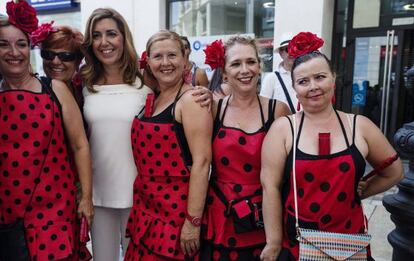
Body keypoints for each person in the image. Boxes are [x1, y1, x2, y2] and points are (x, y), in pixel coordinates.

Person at [260, 32, 404, 261]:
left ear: (333, 78)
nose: (313, 86)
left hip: (350, 242)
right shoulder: (283, 129)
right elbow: (270, 188)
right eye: (303, 81)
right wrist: (273, 243)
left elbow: (394, 171)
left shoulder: (360, 125)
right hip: (298, 245)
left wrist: (362, 190)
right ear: (295, 88)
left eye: (320, 77)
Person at [0, 1, 93, 260]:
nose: (14, 52)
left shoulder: (54, 88)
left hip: (54, 210)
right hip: (7, 214)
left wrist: (85, 198)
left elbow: (79, 145)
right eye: (3, 44)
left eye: (20, 44)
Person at [200, 36, 290, 260]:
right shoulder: (212, 108)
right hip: (219, 215)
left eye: (251, 62)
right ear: (224, 72)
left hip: (263, 217)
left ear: (260, 67)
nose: (245, 70)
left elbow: (292, 168)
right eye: (235, 63)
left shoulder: (277, 110)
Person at [125, 30, 212, 260]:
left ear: (185, 60)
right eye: (158, 56)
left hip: (176, 214)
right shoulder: (153, 97)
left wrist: (192, 222)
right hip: (147, 208)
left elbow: (202, 164)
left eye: (172, 55)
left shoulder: (192, 101)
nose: (165, 63)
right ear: (149, 61)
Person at [80, 8, 152, 260]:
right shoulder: (84, 84)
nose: (104, 42)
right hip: (98, 196)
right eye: (97, 35)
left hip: (141, 196)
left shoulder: (146, 82)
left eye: (111, 33)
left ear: (123, 37)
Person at [38, 25, 84, 107]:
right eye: (48, 54)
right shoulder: (34, 91)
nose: (55, 62)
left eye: (65, 56)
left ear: (78, 61)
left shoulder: (83, 91)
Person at [260, 32, 298, 113]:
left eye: (294, 48)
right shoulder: (271, 78)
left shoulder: (305, 76)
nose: (291, 52)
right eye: (288, 49)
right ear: (281, 53)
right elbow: (263, 108)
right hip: (281, 124)